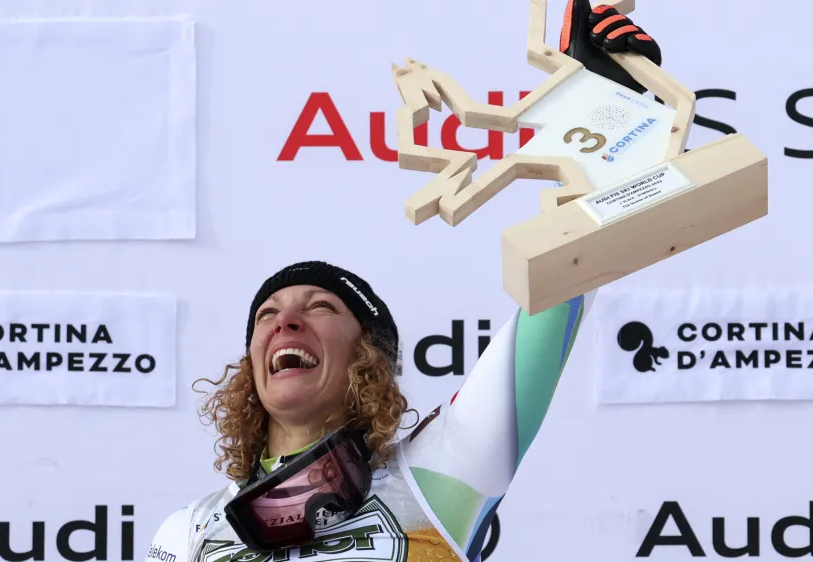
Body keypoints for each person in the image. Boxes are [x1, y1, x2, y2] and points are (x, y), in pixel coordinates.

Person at [147, 3, 663, 561]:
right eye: (266, 316)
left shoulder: (440, 475)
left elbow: (563, 277)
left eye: (320, 307)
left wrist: (612, 104)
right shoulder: (187, 533)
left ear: (369, 358)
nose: (285, 322)